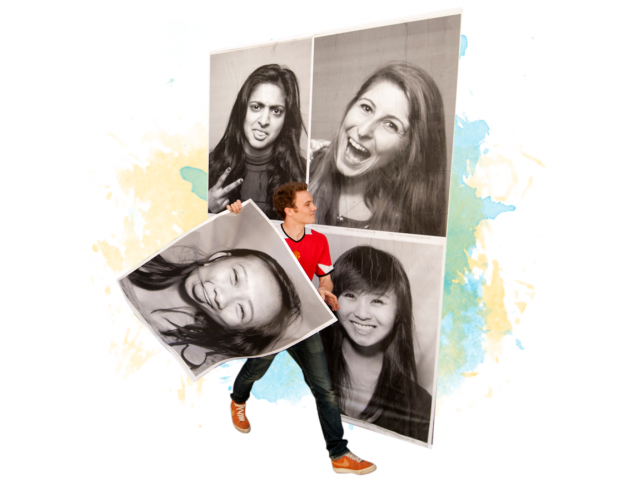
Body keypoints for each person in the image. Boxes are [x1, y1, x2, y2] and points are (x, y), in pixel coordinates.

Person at [224, 183, 376, 475]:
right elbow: (231, 248)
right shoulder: (266, 235)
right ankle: (238, 400)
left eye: (312, 203)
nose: (314, 208)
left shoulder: (318, 240)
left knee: (325, 391)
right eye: (307, 204)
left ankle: (339, 454)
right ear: (289, 210)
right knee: (255, 370)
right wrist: (234, 216)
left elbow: (325, 276)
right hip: (270, 324)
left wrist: (324, 289)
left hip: (304, 322)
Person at [309, 62, 448, 236]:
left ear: (409, 149)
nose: (363, 130)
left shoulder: (408, 227)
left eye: (390, 125)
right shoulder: (303, 165)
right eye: (366, 108)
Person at [120, 248, 301, 370]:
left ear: (234, 330)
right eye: (235, 277)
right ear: (218, 258)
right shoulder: (136, 248)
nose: (222, 297)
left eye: (242, 310)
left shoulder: (186, 362)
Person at [320, 246, 432, 443]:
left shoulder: (420, 406)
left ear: (399, 311)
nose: (362, 313)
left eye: (377, 301)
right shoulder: (302, 370)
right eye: (350, 296)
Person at [208, 64, 306, 218]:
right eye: (256, 107)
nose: (264, 121)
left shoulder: (302, 174)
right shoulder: (209, 165)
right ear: (242, 109)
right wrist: (204, 208)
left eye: (276, 111)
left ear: (286, 119)